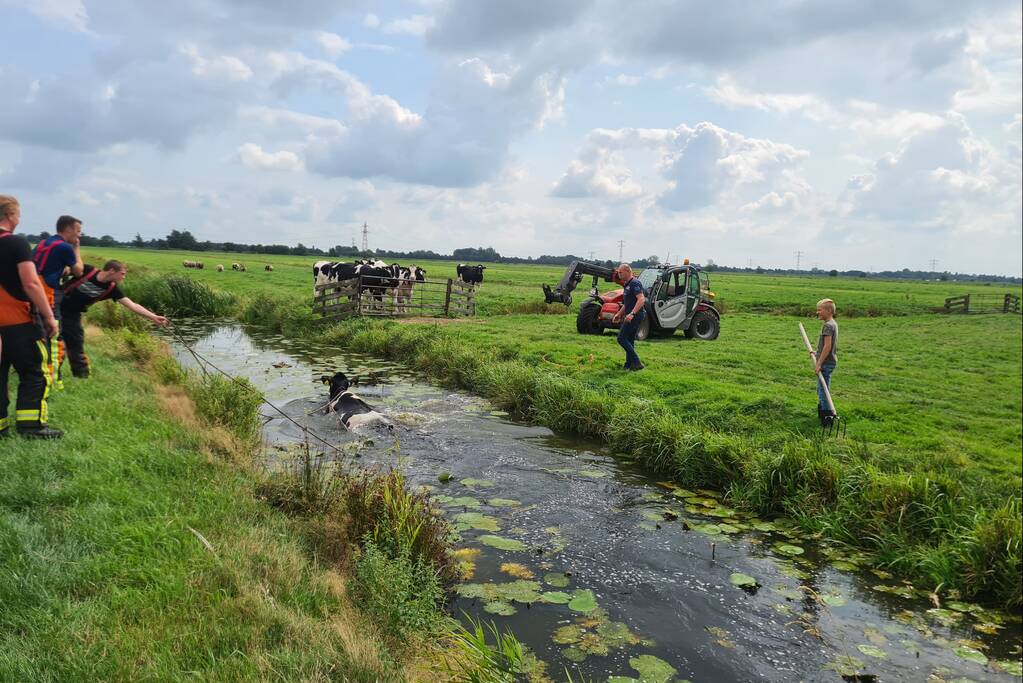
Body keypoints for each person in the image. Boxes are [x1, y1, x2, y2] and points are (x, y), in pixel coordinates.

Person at [0, 195, 62, 439]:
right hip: (18, 322)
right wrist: (49, 317)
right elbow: (31, 283)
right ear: (11, 216)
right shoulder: (16, 243)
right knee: (35, 372)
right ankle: (31, 427)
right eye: (19, 214)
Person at [60, 260, 169, 378]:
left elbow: (132, 305)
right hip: (54, 306)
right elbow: (63, 272)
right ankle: (49, 370)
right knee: (54, 341)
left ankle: (81, 376)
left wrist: (153, 317)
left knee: (76, 344)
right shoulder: (87, 270)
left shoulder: (112, 289)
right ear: (112, 271)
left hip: (73, 315)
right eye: (122, 273)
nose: (124, 277)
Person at [32, 215, 85, 390]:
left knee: (39, 333)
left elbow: (40, 266)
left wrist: (60, 271)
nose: (79, 236)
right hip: (50, 294)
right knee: (55, 336)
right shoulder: (65, 247)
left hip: (34, 292)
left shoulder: (42, 244)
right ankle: (54, 380)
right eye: (77, 232)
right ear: (67, 229)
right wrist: (76, 248)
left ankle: (38, 371)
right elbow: (78, 271)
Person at [612, 263, 647, 371]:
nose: (619, 274)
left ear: (627, 271)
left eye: (620, 272)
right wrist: (619, 314)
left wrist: (632, 314)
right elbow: (627, 303)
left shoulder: (635, 283)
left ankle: (637, 362)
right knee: (629, 339)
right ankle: (629, 364)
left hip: (636, 315)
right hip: (630, 314)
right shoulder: (627, 284)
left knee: (621, 338)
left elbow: (641, 299)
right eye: (618, 272)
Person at [814, 298, 838, 426]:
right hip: (828, 362)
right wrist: (815, 353)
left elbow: (827, 347)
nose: (817, 312)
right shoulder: (833, 323)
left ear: (828, 311)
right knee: (821, 389)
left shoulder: (828, 326)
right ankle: (823, 411)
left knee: (823, 390)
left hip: (826, 363)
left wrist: (819, 363)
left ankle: (827, 418)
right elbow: (824, 346)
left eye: (819, 310)